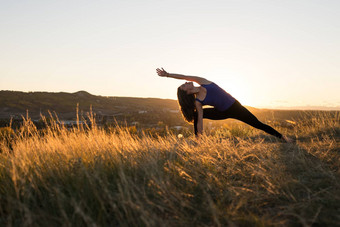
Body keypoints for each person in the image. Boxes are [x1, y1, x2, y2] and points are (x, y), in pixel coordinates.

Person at [156, 67, 292, 142]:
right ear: (187, 93)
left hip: (235, 107)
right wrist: (200, 136)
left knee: (257, 124)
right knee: (196, 115)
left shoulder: (202, 81)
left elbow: (184, 76)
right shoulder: (198, 102)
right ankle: (199, 142)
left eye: (185, 83)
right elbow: (199, 123)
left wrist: (167, 74)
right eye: (184, 85)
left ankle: (283, 138)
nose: (186, 83)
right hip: (221, 112)